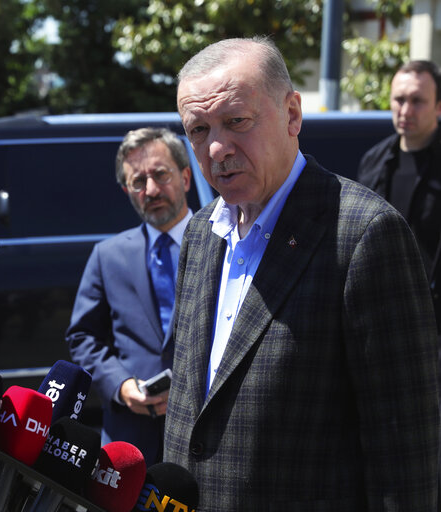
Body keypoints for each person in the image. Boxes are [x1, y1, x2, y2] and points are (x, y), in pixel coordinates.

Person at [163, 37, 440, 511]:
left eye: (236, 121)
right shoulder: (200, 233)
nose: (217, 148)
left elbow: (405, 450)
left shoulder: (364, 234)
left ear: (292, 114)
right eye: (199, 129)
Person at [66, 127, 192, 466]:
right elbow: (82, 337)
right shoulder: (108, 256)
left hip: (206, 434)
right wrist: (121, 386)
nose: (150, 190)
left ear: (185, 178)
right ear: (126, 190)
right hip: (131, 440)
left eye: (160, 175)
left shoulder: (225, 243)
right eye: (138, 181)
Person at [357, 60, 441, 335]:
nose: (405, 110)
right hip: (379, 317)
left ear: (438, 106)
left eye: (417, 101)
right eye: (399, 99)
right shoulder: (373, 162)